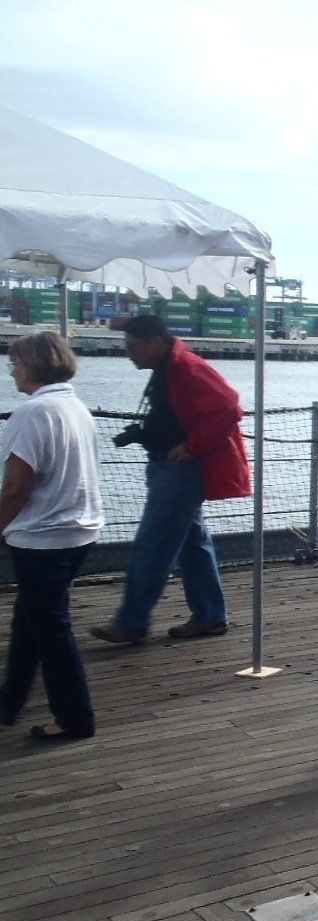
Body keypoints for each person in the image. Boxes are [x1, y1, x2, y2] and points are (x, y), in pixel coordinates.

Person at [91, 315, 249, 646]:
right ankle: (209, 615)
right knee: (192, 544)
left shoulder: (186, 367)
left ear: (156, 342)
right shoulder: (172, 367)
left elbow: (229, 407)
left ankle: (132, 621)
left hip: (180, 470)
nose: (128, 353)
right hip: (173, 466)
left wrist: (191, 447)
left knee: (153, 544)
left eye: (133, 346)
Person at [0, 333, 104, 741]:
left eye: (16, 363)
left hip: (43, 537)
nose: (12, 371)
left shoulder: (32, 412)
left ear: (32, 366)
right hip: (80, 530)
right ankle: (9, 702)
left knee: (51, 630)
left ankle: (75, 718)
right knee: (31, 619)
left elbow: (16, 487)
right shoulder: (75, 407)